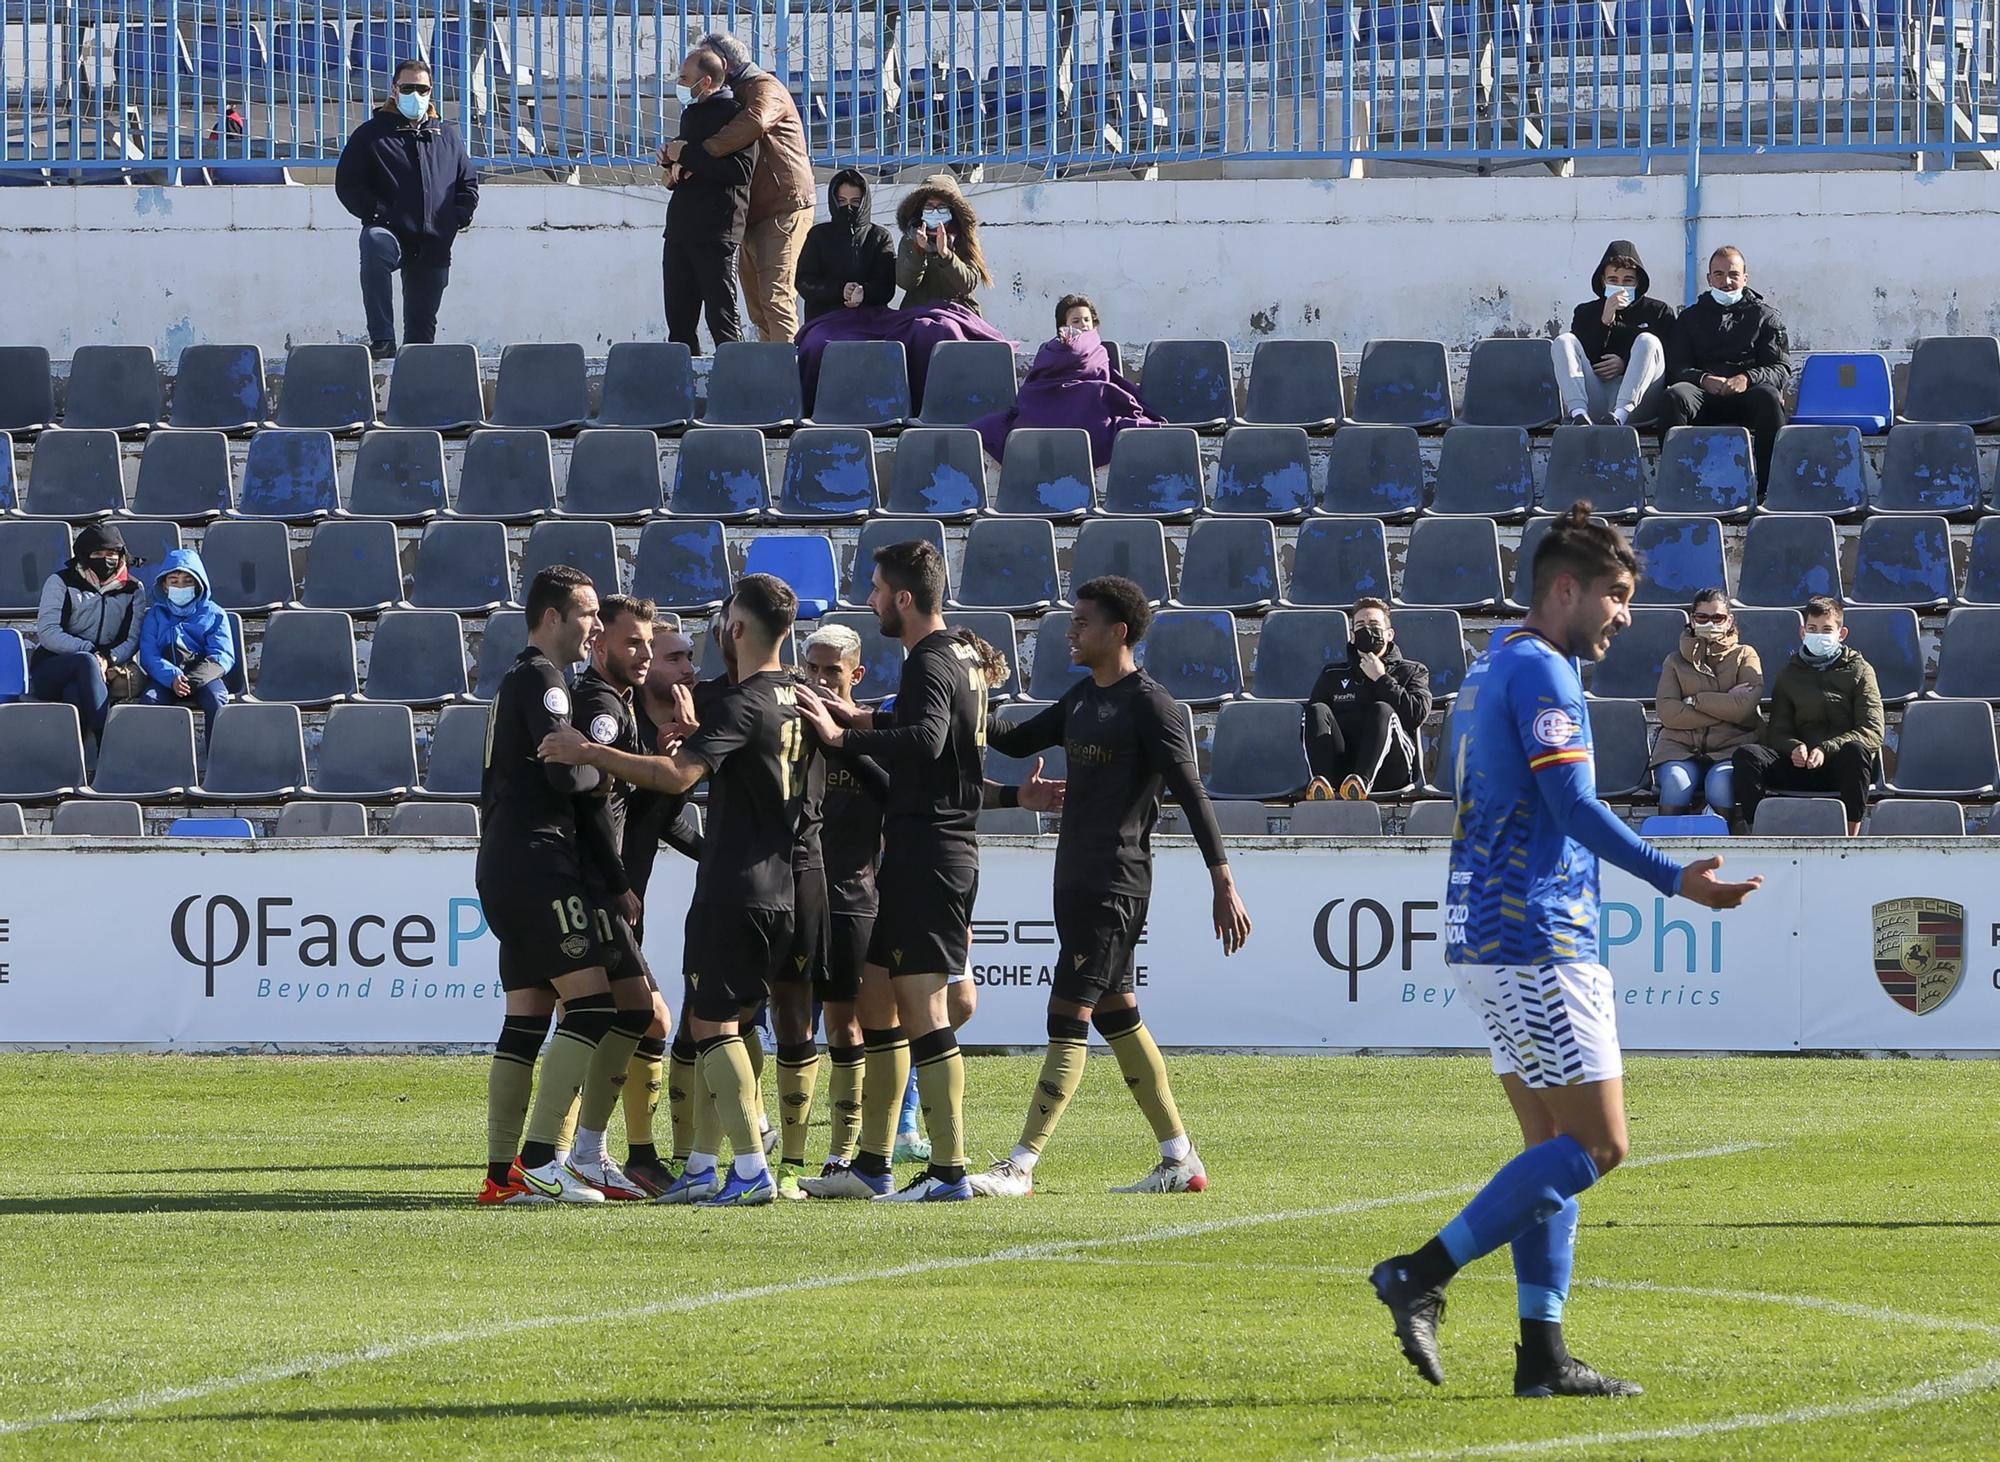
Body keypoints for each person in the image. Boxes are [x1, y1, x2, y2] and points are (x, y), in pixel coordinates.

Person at [1370, 503, 1761, 1397]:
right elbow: (1573, 809)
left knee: (1549, 1143)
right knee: (1602, 1144)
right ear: (1565, 590)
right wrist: (1677, 881)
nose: (1626, 614)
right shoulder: (1545, 673)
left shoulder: (1491, 665)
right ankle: (1419, 1272)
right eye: (1617, 596)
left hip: (1487, 931)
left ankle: (1542, 1357)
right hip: (1535, 936)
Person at [971, 575, 1252, 1198]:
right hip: (1076, 878)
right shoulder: (1079, 698)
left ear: (1117, 632)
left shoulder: (1152, 704)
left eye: (1082, 622)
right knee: (1118, 1015)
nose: (1070, 632)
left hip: (1114, 882)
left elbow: (1191, 793)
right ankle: (1179, 1158)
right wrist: (957, 695)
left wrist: (1222, 880)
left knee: (1065, 1012)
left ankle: (1021, 1164)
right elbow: (1012, 739)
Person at [540, 574, 815, 1208]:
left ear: (735, 630)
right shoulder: (797, 702)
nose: (690, 659)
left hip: (734, 887)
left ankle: (744, 1165)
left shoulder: (740, 704)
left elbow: (674, 776)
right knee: (700, 1022)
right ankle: (690, 1163)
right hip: (783, 884)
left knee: (705, 1026)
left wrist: (589, 752)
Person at [792, 540, 987, 1202]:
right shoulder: (959, 654)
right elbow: (940, 734)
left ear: (903, 597)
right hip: (921, 852)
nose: (870, 598)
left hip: (931, 851)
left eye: (876, 588)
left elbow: (926, 740)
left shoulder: (930, 659)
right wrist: (859, 713)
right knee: (877, 998)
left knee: (923, 1010)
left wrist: (846, 738)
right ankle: (872, 1166)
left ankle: (949, 1171)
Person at [475, 565, 621, 1206]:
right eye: (588, 613)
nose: (596, 626)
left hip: (505, 862)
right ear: (552, 616)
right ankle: (542, 1161)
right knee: (593, 1007)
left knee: (526, 1020)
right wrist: (606, 772)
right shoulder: (543, 679)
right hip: (538, 863)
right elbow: (564, 773)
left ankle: (501, 1174)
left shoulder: (518, 679)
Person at [549, 596, 673, 1202]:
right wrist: (618, 882)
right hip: (598, 887)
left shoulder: (620, 704)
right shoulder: (600, 707)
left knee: (605, 1016)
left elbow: (637, 806)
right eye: (633, 643)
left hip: (602, 885)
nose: (644, 654)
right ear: (600, 644)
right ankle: (584, 1152)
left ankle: (571, 1152)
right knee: (641, 1014)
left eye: (649, 644)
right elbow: (593, 803)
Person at [794, 623, 888, 1188]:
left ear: (856, 674)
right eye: (814, 669)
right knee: (787, 1021)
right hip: (793, 894)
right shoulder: (792, 730)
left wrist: (842, 738)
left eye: (834, 671)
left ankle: (843, 1153)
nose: (823, 680)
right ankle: (787, 1151)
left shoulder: (873, 730)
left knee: (847, 1028)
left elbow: (899, 797)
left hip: (854, 897)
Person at [333, 57, 479, 360]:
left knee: (421, 336)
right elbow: (348, 184)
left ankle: (417, 396)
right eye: (408, 87)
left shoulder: (448, 137)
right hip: (391, 231)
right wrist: (378, 213)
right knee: (373, 243)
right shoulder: (370, 134)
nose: (416, 95)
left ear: (431, 92)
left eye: (422, 89)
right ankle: (382, 337)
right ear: (394, 90)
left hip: (434, 241)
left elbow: (468, 184)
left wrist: (457, 217)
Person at [694, 30, 815, 344]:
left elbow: (755, 122)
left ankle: (790, 376)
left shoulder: (764, 87)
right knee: (758, 307)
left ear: (722, 62)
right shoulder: (728, 93)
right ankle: (770, 375)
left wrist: (699, 153)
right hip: (751, 212)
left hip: (783, 206)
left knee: (776, 297)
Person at [1731, 597, 1883, 836]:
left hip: (1840, 767)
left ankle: (1852, 837)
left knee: (1857, 751)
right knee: (1747, 755)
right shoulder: (1789, 675)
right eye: (1812, 629)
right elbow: (1778, 731)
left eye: (1826, 629)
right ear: (1802, 632)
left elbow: (1872, 731)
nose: (1818, 635)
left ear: (1841, 633)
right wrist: (1793, 747)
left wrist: (1826, 748)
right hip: (1798, 766)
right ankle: (1756, 832)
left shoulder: (1861, 670)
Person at [973, 294, 1161, 468]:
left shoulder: (1099, 349)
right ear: (1064, 326)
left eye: (1087, 320)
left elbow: (1101, 376)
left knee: (1095, 391)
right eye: (1076, 321)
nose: (1083, 325)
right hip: (1050, 396)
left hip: (1086, 402)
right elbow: (1040, 377)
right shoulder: (1052, 348)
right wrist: (1069, 347)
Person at [1660, 245, 1792, 489]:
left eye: (1733, 274)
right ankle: (1676, 488)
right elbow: (1676, 367)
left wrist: (1747, 378)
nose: (1726, 281)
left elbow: (1780, 368)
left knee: (1769, 397)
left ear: (1745, 278)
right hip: (1703, 397)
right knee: (1674, 396)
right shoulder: (1690, 318)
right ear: (1709, 278)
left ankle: (1770, 489)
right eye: (1719, 274)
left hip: (1747, 397)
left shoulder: (1766, 317)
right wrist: (1702, 379)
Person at [658, 48, 757, 355]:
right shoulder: (691, 114)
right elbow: (692, 162)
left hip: (716, 232)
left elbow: (740, 171)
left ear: (707, 81)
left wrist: (685, 155)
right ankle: (682, 390)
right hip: (680, 230)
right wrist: (670, 164)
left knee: (722, 319)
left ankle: (736, 388)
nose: (679, 83)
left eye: (685, 78)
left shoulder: (735, 116)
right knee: (679, 321)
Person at [1303, 598, 1433, 801]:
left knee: (1382, 710)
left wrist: (1381, 678)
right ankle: (1323, 786)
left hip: (1391, 769)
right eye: (1360, 626)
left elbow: (1415, 716)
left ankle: (1362, 783)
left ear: (1389, 634)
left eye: (1374, 625)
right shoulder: (1332, 674)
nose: (1368, 630)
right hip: (1344, 770)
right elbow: (1313, 725)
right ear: (1353, 637)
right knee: (1316, 710)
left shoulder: (1412, 671)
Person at [31, 523, 147, 748]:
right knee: (85, 662)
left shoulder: (133, 589)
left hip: (104, 670)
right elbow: (48, 633)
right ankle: (108, 744)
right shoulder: (61, 582)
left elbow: (132, 639)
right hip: (53, 666)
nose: (105, 559)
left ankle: (77, 765)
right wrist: (92, 653)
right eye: (97, 553)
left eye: (111, 553)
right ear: (85, 555)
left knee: (74, 694)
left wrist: (108, 658)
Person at [1652, 591, 1763, 819]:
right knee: (1676, 782)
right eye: (1702, 617)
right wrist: (1725, 704)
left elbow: (1744, 708)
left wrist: (1694, 701)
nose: (1710, 623)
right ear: (1693, 619)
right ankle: (1668, 849)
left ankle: (1726, 849)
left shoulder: (1745, 655)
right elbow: (1668, 713)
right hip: (1678, 747)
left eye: (1718, 618)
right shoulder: (1674, 661)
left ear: (1729, 620)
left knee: (1719, 785)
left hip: (1731, 747)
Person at [1551, 240, 1674, 427]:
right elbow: (1585, 356)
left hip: (1640, 403)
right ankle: (1578, 414)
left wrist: (1624, 363)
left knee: (1648, 340)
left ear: (1637, 282)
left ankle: (1620, 416)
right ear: (1603, 280)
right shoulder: (1585, 312)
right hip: (1596, 397)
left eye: (1628, 280)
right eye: (1613, 281)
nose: (1621, 286)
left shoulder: (1658, 310)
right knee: (1563, 340)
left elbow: (1666, 360)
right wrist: (1605, 320)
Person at [135, 549, 233, 749]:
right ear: (164, 584)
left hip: (203, 678)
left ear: (198, 584)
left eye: (188, 581)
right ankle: (154, 759)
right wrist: (172, 678)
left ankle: (218, 757)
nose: (181, 586)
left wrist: (192, 680)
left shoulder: (215, 613)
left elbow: (222, 655)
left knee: (217, 700)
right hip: (165, 679)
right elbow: (149, 655)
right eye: (174, 580)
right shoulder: (155, 615)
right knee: (149, 702)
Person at [795, 169, 897, 326]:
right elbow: (804, 282)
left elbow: (886, 287)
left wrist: (864, 293)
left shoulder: (879, 236)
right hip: (824, 320)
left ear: (864, 202)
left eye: (855, 202)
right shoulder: (818, 235)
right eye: (842, 201)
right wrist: (839, 290)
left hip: (870, 320)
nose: (848, 207)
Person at [895, 173, 991, 314]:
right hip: (918, 312)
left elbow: (967, 284)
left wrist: (946, 255)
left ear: (953, 211)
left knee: (948, 329)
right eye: (929, 207)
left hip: (958, 313)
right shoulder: (910, 238)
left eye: (941, 207)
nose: (935, 212)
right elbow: (906, 282)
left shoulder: (963, 239)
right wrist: (919, 251)